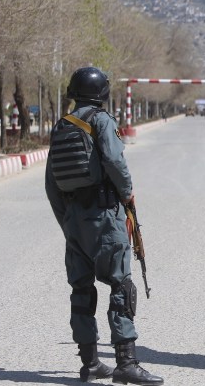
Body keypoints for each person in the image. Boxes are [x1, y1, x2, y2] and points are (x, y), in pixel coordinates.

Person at [45, 66, 163, 385]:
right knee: (120, 285)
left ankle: (90, 363)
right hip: (103, 216)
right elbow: (114, 161)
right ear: (101, 93)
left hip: (73, 220)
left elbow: (51, 185)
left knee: (82, 289)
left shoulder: (61, 127)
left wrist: (68, 221)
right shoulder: (100, 120)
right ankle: (126, 363)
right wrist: (127, 195)